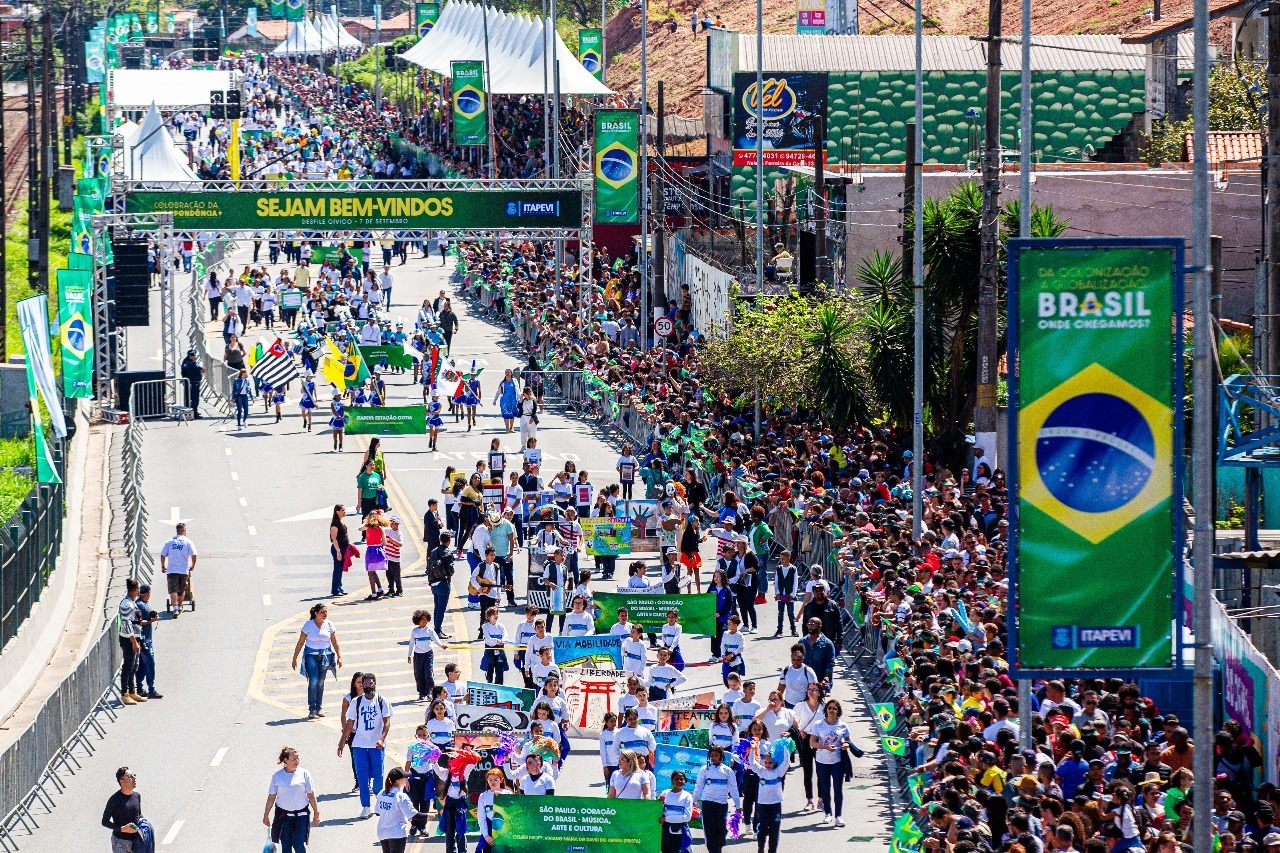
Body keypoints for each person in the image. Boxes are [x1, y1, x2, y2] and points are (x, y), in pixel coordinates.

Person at [339, 672, 392, 819]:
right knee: (362, 778)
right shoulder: (356, 702)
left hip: (377, 746)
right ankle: (366, 807)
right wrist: (342, 742)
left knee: (378, 778)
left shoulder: (382, 701)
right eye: (365, 683)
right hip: (359, 745)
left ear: (375, 684)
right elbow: (349, 723)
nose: (368, 685)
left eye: (371, 683)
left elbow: (387, 722)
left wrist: (381, 739)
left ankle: (380, 803)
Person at [808, 698, 864, 827]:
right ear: (825, 710)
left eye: (834, 708)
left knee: (838, 788)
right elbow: (812, 742)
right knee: (825, 788)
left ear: (838, 711)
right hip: (822, 760)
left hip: (837, 761)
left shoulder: (842, 725)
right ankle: (828, 813)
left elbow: (847, 741)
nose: (832, 711)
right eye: (829, 708)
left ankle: (838, 816)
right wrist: (825, 747)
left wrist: (845, 745)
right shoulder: (818, 724)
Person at [291, 603, 343, 719]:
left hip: (325, 656)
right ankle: (312, 709)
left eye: (326, 612)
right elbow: (300, 642)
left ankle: (319, 708)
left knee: (321, 682)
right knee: (313, 681)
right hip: (311, 655)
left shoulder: (329, 624)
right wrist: (294, 658)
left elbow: (334, 642)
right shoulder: (308, 625)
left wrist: (339, 656)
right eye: (322, 612)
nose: (325, 614)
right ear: (316, 613)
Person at [263, 747, 320, 853]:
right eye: (293, 759)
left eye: (298, 759)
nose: (296, 761)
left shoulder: (304, 774)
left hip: (301, 815)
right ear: (285, 760)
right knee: (286, 844)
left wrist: (316, 813)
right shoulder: (277, 776)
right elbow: (271, 797)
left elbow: (311, 795)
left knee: (298, 843)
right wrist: (266, 815)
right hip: (283, 816)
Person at [694, 746, 740, 853]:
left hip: (721, 803)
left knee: (721, 828)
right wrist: (693, 801)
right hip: (707, 802)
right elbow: (699, 786)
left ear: (721, 756)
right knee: (709, 830)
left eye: (716, 755)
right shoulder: (705, 770)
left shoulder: (728, 771)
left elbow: (733, 788)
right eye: (712, 756)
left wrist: (738, 805)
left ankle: (719, 845)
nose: (714, 758)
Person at [117, 578, 147, 706]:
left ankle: (132, 691)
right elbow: (126, 624)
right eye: (138, 590)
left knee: (134, 666)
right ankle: (124, 694)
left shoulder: (131, 602)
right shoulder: (126, 604)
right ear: (134, 590)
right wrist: (134, 642)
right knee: (128, 667)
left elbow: (135, 621)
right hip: (128, 640)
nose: (139, 592)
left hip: (135, 638)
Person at [158, 522, 197, 617]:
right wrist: (192, 565)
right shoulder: (188, 541)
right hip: (183, 570)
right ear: (184, 531)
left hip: (172, 570)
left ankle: (175, 608)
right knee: (181, 590)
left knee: (173, 590)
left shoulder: (170, 541)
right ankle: (179, 607)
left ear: (177, 530)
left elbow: (163, 554)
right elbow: (194, 554)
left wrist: (163, 566)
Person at [375, 767, 417, 853]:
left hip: (382, 832)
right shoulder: (400, 796)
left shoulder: (382, 792)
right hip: (397, 833)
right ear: (399, 780)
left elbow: (377, 812)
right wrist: (428, 815)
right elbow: (413, 814)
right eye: (405, 778)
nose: (407, 779)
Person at [102, 766, 144, 853]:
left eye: (134, 775)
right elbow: (105, 821)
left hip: (136, 841)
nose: (134, 778)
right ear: (122, 781)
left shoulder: (137, 796)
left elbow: (138, 815)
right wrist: (122, 829)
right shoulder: (114, 799)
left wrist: (144, 823)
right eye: (130, 776)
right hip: (120, 843)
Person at [132, 584, 162, 699]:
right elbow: (139, 622)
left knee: (142, 666)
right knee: (150, 664)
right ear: (148, 592)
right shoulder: (141, 605)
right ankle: (151, 689)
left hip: (142, 640)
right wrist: (151, 620)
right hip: (145, 641)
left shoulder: (141, 604)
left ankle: (139, 688)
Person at [475, 768, 511, 853]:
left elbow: (510, 813)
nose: (493, 782)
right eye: (490, 780)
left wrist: (501, 797)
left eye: (496, 779)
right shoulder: (483, 796)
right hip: (490, 830)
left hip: (504, 831)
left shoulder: (507, 794)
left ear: (501, 780)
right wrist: (486, 835)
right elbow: (481, 817)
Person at [428, 532, 455, 636]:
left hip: (434, 582)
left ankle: (437, 628)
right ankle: (437, 631)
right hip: (443, 583)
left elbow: (429, 566)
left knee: (437, 607)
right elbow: (451, 570)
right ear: (449, 541)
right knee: (441, 609)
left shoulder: (433, 551)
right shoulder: (447, 553)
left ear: (440, 540)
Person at [330, 505, 352, 597]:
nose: (345, 512)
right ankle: (335, 589)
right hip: (338, 548)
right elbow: (334, 539)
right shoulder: (335, 524)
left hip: (343, 547)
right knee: (337, 569)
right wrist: (338, 551)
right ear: (337, 512)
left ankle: (340, 587)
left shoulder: (341, 522)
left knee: (340, 569)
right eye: (343, 510)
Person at [180, 349, 203, 418]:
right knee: (194, 398)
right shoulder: (192, 363)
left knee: (188, 397)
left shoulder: (185, 361)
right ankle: (194, 413)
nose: (195, 357)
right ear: (191, 356)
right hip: (193, 382)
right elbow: (199, 369)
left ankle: (189, 411)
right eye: (194, 355)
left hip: (187, 382)